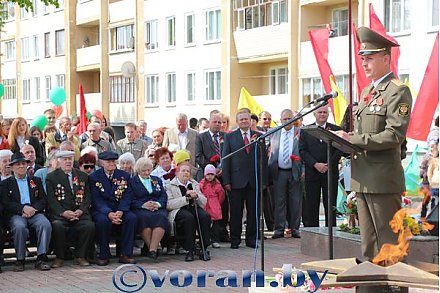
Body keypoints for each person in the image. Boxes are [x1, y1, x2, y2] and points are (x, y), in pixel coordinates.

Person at [335, 27, 412, 261]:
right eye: (363, 59)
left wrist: (353, 140)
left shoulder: (397, 92)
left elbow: (393, 135)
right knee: (369, 247)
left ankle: (395, 287)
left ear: (386, 58)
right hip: (362, 178)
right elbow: (363, 131)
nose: (365, 64)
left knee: (390, 245)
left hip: (382, 180)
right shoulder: (368, 91)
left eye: (369, 59)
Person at [222, 109, 267, 249]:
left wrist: (264, 180)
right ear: (237, 121)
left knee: (253, 212)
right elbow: (225, 160)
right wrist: (226, 181)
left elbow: (263, 160)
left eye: (246, 119)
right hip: (236, 181)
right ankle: (235, 239)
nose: (244, 121)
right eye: (241, 119)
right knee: (236, 212)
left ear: (251, 121)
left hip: (254, 180)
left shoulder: (259, 136)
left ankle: (251, 239)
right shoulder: (230, 137)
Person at [0, 152, 52, 271]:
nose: (21, 166)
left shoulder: (35, 180)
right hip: (17, 214)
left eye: (23, 163)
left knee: (45, 224)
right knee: (19, 226)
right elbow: (6, 203)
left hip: (34, 212)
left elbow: (43, 199)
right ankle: (20, 260)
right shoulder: (5, 184)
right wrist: (22, 208)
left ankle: (41, 258)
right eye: (18, 164)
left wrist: (34, 209)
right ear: (12, 167)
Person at [46, 151, 95, 268]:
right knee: (57, 226)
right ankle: (60, 257)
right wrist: (63, 212)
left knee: (90, 226)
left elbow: (88, 197)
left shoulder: (82, 176)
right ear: (59, 161)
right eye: (64, 159)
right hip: (61, 214)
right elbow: (51, 199)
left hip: (79, 213)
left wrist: (81, 210)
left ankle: (80, 256)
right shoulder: (52, 177)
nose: (68, 161)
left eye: (70, 159)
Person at [89, 151, 136, 266]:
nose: (111, 164)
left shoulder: (123, 176)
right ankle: (104, 255)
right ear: (101, 163)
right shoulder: (94, 177)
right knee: (102, 221)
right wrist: (109, 213)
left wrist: (121, 210)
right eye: (108, 161)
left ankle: (126, 254)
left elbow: (127, 195)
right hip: (102, 210)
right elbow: (96, 199)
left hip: (119, 208)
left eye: (113, 161)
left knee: (131, 218)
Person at [299, 105, 342, 227]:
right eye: (319, 112)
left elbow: (339, 149)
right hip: (312, 173)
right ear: (314, 114)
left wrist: (328, 164)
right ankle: (312, 233)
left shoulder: (336, 129)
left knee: (330, 205)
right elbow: (302, 151)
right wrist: (315, 164)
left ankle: (331, 233)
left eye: (325, 112)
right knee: (311, 205)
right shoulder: (306, 130)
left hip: (330, 172)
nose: (322, 114)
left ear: (328, 114)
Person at [269, 109, 303, 239]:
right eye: (285, 119)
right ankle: (279, 228)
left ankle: (295, 228)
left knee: (295, 201)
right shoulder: (274, 133)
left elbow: (303, 152)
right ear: (280, 120)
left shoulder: (300, 133)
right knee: (279, 201)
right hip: (279, 172)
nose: (287, 121)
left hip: (295, 172)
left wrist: (303, 170)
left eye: (290, 119)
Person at [166, 162, 211, 261]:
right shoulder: (170, 185)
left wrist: (197, 196)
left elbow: (204, 202)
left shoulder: (194, 184)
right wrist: (185, 198)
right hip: (178, 210)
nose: (186, 173)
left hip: (193, 207)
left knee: (205, 216)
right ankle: (189, 249)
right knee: (188, 218)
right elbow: (169, 204)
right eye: (183, 171)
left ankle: (204, 247)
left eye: (188, 171)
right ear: (177, 173)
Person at [130, 158, 168, 261]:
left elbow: (163, 196)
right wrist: (143, 205)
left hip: (157, 207)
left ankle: (152, 250)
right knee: (144, 218)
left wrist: (158, 204)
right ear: (138, 170)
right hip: (141, 208)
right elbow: (131, 199)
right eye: (144, 171)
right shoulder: (132, 181)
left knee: (161, 217)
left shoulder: (156, 179)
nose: (147, 173)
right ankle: (154, 249)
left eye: (148, 170)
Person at [199, 164, 225, 248]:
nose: (210, 176)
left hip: (214, 206)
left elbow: (221, 195)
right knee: (205, 224)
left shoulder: (217, 185)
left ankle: (215, 240)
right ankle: (205, 239)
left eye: (212, 174)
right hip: (205, 205)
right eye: (208, 174)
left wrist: (217, 203)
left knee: (215, 225)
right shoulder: (202, 184)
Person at [427, 143, 439, 211]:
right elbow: (429, 173)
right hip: (435, 186)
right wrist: (431, 182)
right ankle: (434, 219)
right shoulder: (433, 160)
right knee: (435, 205)